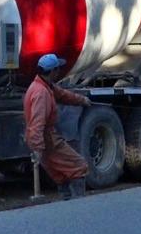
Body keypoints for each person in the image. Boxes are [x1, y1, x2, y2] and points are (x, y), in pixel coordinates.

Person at [24, 53, 93, 198]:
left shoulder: (43, 85)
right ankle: (79, 204)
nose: (60, 71)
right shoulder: (41, 93)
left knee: (60, 172)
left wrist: (82, 100)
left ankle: (65, 202)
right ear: (53, 71)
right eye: (58, 69)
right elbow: (37, 123)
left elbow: (62, 95)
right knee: (79, 166)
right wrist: (37, 148)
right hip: (47, 140)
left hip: (44, 139)